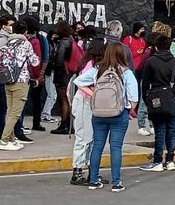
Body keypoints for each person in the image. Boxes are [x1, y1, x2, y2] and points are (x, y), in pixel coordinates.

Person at [73, 42, 138, 192]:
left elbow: (78, 81)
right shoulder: (126, 72)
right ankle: (116, 182)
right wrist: (128, 110)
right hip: (118, 114)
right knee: (116, 147)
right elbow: (133, 98)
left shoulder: (97, 70)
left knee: (97, 146)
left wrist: (93, 94)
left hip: (98, 114)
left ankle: (94, 180)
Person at [140, 35, 175, 172]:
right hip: (173, 97)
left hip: (156, 97)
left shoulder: (150, 62)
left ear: (156, 47)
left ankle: (157, 160)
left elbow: (145, 84)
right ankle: (170, 160)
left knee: (159, 130)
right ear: (169, 46)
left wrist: (147, 100)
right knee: (171, 129)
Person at [0, 20, 40, 151]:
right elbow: (35, 62)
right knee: (15, 113)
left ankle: (11, 138)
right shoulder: (26, 44)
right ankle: (3, 140)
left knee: (9, 111)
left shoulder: (7, 42)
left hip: (7, 80)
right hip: (21, 81)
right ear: (25, 31)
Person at [70, 38, 106, 186]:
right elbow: (80, 83)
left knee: (91, 139)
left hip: (87, 103)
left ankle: (93, 171)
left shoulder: (89, 62)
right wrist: (94, 93)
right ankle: (77, 172)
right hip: (85, 103)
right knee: (83, 139)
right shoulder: (91, 65)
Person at [22, 15, 49, 133]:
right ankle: (30, 124)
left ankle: (33, 123)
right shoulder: (38, 38)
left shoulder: (39, 39)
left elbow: (45, 57)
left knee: (31, 99)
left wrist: (41, 73)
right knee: (31, 99)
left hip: (30, 73)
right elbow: (45, 57)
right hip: (33, 73)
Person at [50, 21, 75, 135]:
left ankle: (64, 125)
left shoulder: (63, 42)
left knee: (63, 100)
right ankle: (69, 124)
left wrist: (53, 62)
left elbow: (59, 60)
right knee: (67, 99)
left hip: (62, 74)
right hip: (69, 73)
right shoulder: (71, 40)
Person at [41, 28, 58, 124]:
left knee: (52, 94)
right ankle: (45, 114)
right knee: (52, 94)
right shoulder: (49, 45)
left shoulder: (52, 44)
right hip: (49, 71)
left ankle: (46, 114)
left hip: (51, 71)